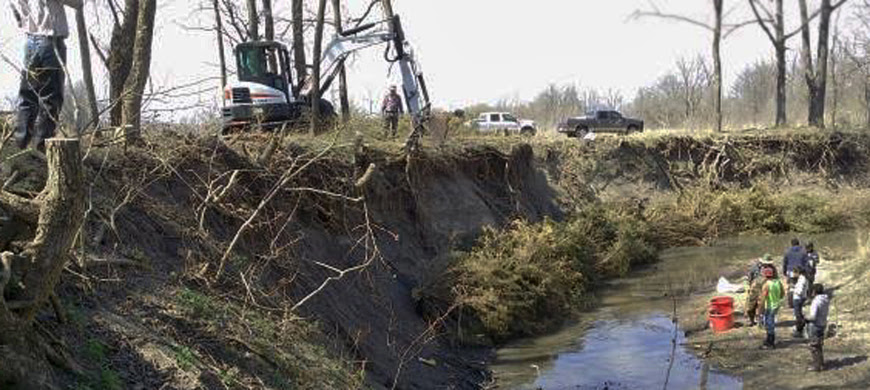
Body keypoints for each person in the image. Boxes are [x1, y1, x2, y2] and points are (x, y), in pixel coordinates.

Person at [11, 0, 83, 152]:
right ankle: (41, 147)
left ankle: (20, 145)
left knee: (27, 95)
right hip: (50, 42)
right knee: (50, 97)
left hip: (30, 41)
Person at [757, 266, 784, 349]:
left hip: (770, 306)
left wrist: (760, 310)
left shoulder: (766, 285)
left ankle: (770, 343)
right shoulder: (778, 282)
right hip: (776, 305)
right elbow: (782, 293)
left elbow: (763, 299)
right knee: (770, 323)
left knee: (769, 324)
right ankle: (769, 340)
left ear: (765, 275)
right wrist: (776, 298)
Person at [745, 254, 774, 327]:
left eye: (768, 264)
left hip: (765, 287)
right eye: (766, 263)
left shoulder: (773, 268)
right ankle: (751, 320)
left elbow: (775, 279)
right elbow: (749, 277)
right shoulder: (755, 267)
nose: (767, 265)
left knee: (762, 305)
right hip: (754, 288)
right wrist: (748, 286)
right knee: (750, 305)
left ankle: (760, 322)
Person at [806, 283, 830, 372]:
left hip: (815, 325)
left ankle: (816, 366)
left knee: (814, 346)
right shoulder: (826, 299)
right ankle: (821, 363)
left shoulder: (816, 301)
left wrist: (805, 317)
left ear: (814, 291)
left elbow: (813, 316)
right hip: (823, 324)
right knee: (819, 345)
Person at [782, 238, 808, 309]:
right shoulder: (803, 252)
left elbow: (785, 263)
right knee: (801, 287)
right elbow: (806, 263)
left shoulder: (787, 252)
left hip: (790, 271)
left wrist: (784, 271)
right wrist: (806, 272)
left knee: (791, 287)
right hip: (801, 271)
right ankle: (800, 302)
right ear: (798, 243)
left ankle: (790, 303)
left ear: (791, 244)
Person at [791, 266, 809, 338]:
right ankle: (800, 328)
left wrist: (793, 289)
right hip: (800, 298)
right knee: (799, 314)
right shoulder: (802, 279)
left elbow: (800, 291)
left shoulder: (802, 280)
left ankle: (800, 329)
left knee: (798, 315)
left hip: (798, 298)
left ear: (798, 272)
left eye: (794, 272)